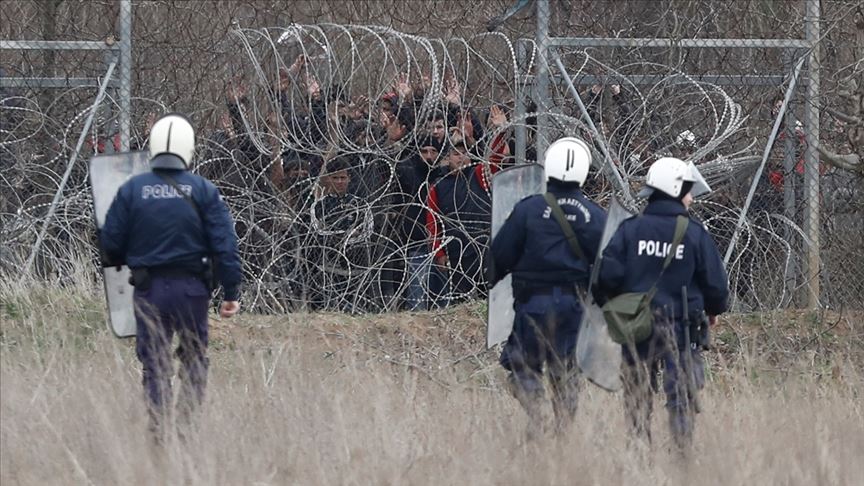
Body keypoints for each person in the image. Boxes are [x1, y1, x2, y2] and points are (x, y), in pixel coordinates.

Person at [100, 113, 242, 442]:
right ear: (188, 148)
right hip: (192, 291)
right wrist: (230, 291)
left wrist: (126, 258)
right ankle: (186, 426)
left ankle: (159, 429)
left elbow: (110, 243)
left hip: (149, 290)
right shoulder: (204, 190)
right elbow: (225, 246)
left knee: (155, 363)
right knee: (194, 357)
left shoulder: (132, 189)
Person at [594, 157, 729, 452]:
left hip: (636, 326)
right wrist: (713, 310)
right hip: (682, 327)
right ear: (676, 189)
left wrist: (616, 308)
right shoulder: (694, 234)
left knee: (637, 392)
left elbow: (605, 278)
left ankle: (638, 451)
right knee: (682, 395)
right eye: (689, 190)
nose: (692, 198)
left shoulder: (631, 229)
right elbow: (717, 286)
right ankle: (681, 454)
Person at [489, 137, 607, 437]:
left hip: (532, 304)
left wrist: (491, 279)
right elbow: (610, 267)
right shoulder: (595, 216)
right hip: (574, 308)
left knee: (521, 368)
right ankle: (563, 431)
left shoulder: (528, 210)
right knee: (566, 372)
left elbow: (499, 255)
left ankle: (537, 410)